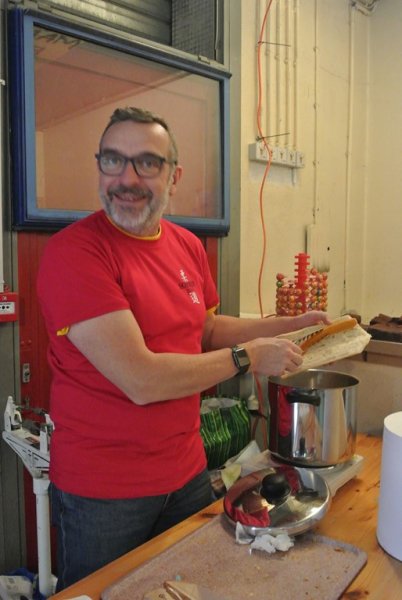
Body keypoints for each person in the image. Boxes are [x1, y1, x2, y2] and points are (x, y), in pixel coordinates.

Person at [37, 106, 329, 590]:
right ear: (99, 167)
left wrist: (289, 325)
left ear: (174, 176)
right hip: (105, 493)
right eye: (113, 160)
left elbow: (206, 329)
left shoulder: (187, 245)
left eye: (147, 163)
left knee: (192, 588)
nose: (127, 178)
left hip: (187, 472)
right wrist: (248, 357)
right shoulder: (75, 253)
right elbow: (142, 379)